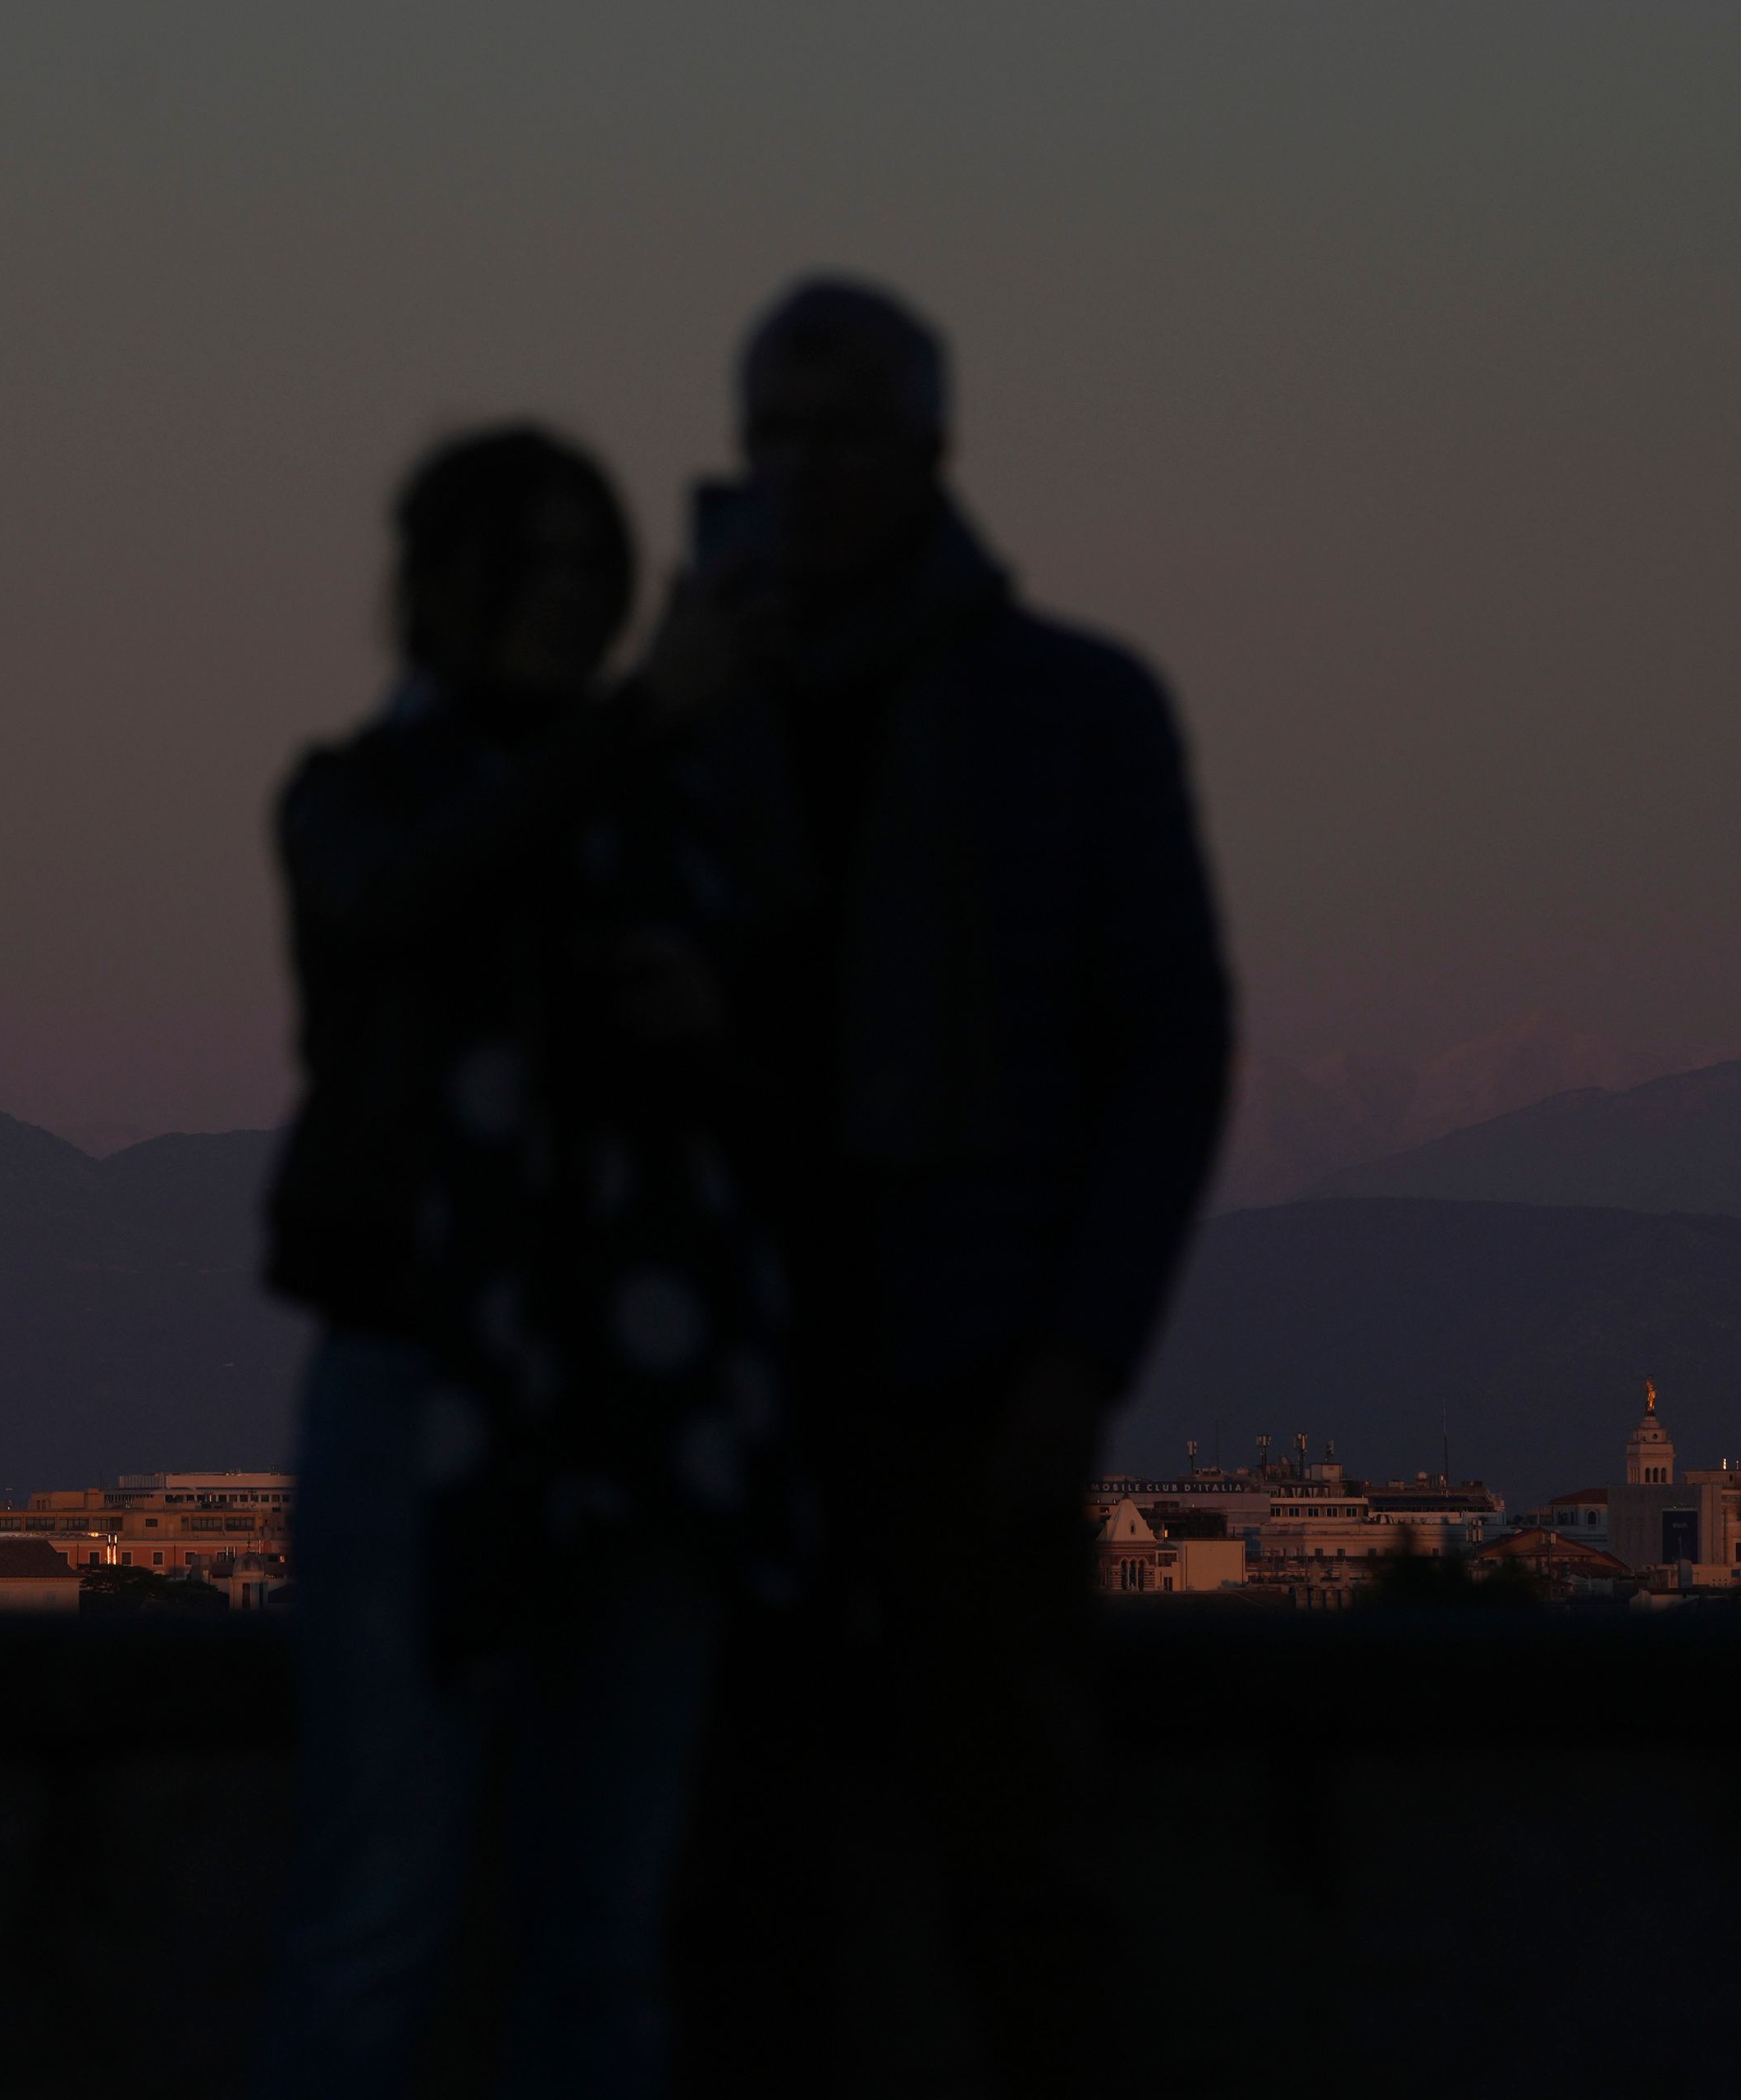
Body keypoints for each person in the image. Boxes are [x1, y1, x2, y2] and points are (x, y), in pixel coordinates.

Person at [660, 280, 1231, 2093]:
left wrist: (1075, 1358)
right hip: (742, 1393)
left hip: (966, 1378)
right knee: (750, 1894)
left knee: (1022, 1886)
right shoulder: (701, 723)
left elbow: (1168, 1046)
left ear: (929, 453)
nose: (803, 472)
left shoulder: (1073, 714)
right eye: (772, 435)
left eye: (838, 432)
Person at [257, 427, 807, 2100]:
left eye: (599, 564)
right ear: (441, 586)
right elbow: (409, 899)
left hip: (632, 1396)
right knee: (385, 1917)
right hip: (434, 1371)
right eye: (536, 562)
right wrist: (648, 721)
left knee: (604, 1937)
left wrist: (723, 1024)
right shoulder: (359, 800)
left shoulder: (680, 822)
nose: (571, 598)